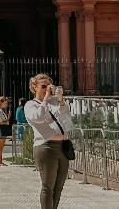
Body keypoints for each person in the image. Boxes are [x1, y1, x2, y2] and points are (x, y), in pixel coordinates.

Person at [25, 73, 73, 209]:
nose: (47, 89)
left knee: (59, 187)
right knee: (48, 187)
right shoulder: (30, 105)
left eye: (49, 86)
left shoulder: (55, 102)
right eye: (43, 86)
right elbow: (38, 117)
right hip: (45, 147)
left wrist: (61, 101)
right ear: (34, 87)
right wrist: (46, 99)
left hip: (62, 147)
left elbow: (67, 122)